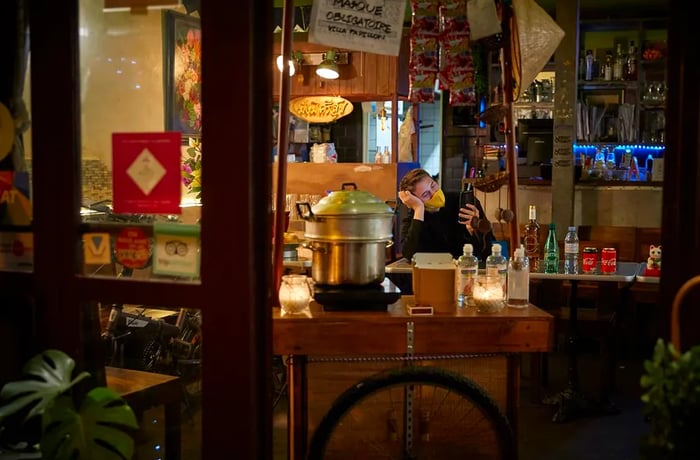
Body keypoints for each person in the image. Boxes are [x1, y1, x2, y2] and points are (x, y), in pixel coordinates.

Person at [398, 168, 495, 262]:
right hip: (432, 273)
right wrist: (419, 209)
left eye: (433, 185)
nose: (434, 193)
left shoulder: (464, 203)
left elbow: (488, 252)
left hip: (466, 270)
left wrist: (475, 231)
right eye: (425, 194)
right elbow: (408, 254)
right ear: (415, 201)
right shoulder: (415, 216)